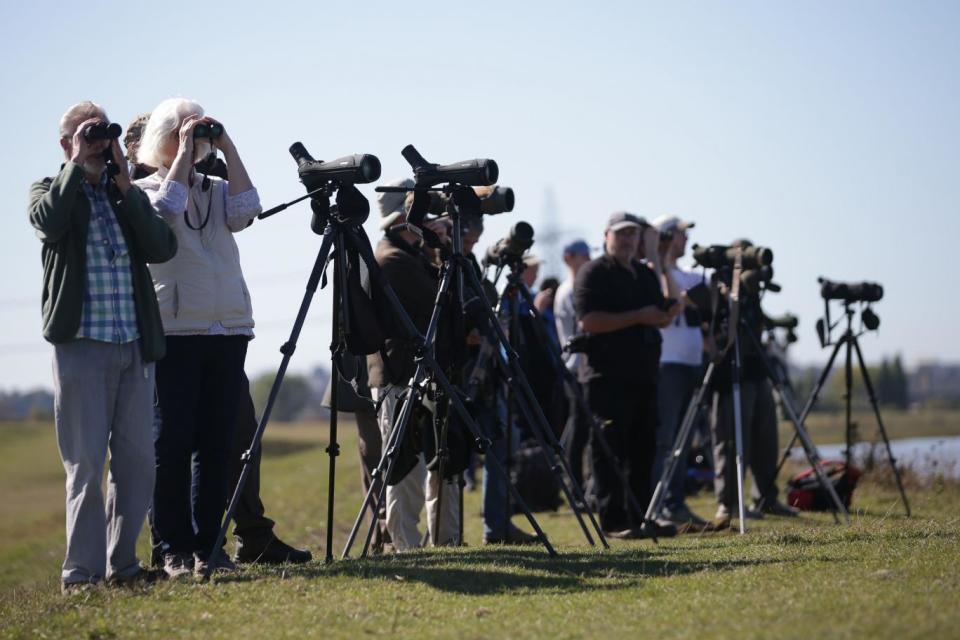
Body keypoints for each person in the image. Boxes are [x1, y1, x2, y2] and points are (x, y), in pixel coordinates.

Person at [29, 101, 178, 593]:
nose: (96, 142)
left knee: (137, 464)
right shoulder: (50, 190)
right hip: (81, 345)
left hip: (132, 345)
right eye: (85, 135)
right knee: (87, 465)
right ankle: (81, 575)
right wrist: (77, 166)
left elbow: (162, 246)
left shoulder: (122, 194)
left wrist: (126, 188)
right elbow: (49, 222)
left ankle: (123, 566)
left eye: (100, 134)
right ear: (65, 143)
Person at [135, 98, 260, 578]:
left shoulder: (218, 187)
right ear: (164, 138)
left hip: (227, 327)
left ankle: (210, 546)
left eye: (202, 135)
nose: (198, 142)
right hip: (176, 328)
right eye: (185, 134)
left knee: (217, 443)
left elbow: (248, 210)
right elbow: (167, 210)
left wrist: (226, 144)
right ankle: (173, 548)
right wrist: (185, 150)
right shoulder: (146, 189)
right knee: (171, 442)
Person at [574, 212, 683, 538]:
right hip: (606, 378)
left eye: (633, 235)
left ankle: (641, 516)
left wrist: (660, 263)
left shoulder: (644, 274)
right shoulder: (593, 272)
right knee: (609, 452)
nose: (627, 241)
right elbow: (589, 321)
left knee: (643, 451)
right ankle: (613, 521)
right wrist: (638, 316)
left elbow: (666, 314)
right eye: (621, 235)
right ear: (606, 235)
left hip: (644, 377)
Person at [366, 180, 460, 551]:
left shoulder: (409, 254)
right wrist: (442, 252)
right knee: (403, 465)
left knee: (428, 458)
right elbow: (438, 301)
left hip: (415, 369)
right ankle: (404, 543)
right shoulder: (392, 258)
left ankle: (435, 538)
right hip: (398, 373)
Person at [709, 239, 799, 527]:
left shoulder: (752, 294)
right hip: (731, 373)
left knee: (766, 438)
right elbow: (723, 328)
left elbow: (759, 322)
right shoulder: (721, 286)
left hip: (757, 371)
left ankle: (765, 497)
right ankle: (729, 503)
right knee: (733, 440)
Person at [649, 215, 711, 532]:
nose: (685, 240)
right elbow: (667, 302)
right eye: (680, 235)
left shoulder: (688, 273)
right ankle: (659, 504)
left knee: (684, 440)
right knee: (666, 438)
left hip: (690, 363)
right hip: (668, 363)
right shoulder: (656, 270)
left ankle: (676, 502)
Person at [553, 239, 593, 495]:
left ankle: (580, 482)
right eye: (583, 255)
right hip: (576, 365)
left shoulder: (575, 287)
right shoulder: (570, 290)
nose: (588, 259)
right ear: (569, 257)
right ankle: (575, 484)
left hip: (578, 365)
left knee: (581, 427)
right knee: (579, 429)